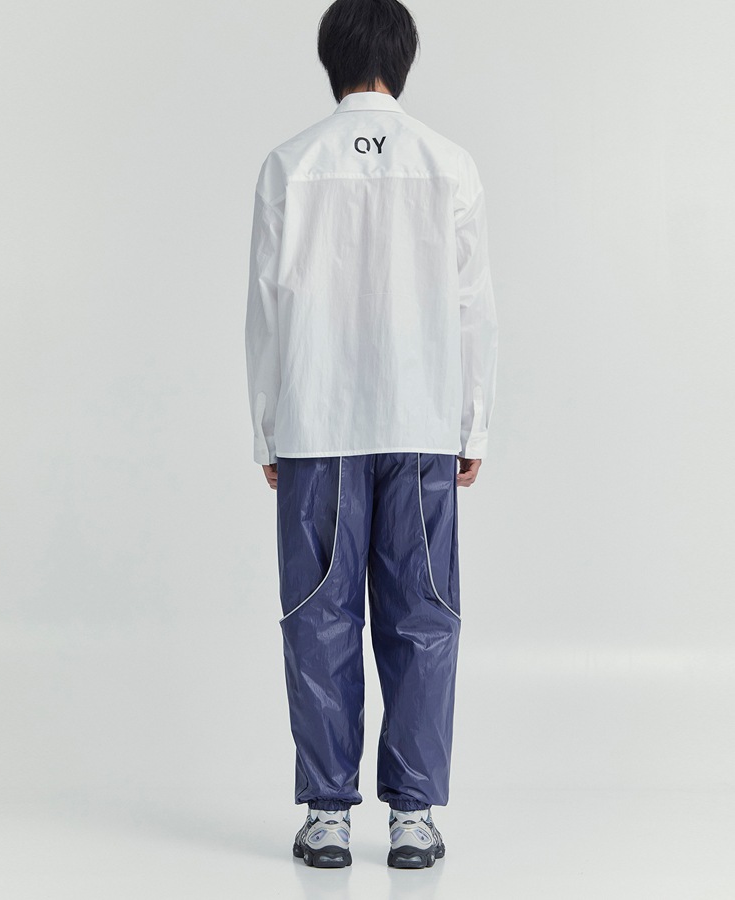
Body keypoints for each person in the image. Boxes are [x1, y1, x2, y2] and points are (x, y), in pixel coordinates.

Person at [244, 0, 498, 870]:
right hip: (421, 415)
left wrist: (268, 429)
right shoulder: (450, 164)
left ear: (332, 60)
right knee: (422, 615)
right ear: (403, 58)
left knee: (318, 618)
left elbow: (265, 311)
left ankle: (326, 815)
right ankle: (413, 818)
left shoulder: (289, 164)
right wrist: (474, 420)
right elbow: (473, 306)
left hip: (318, 419)